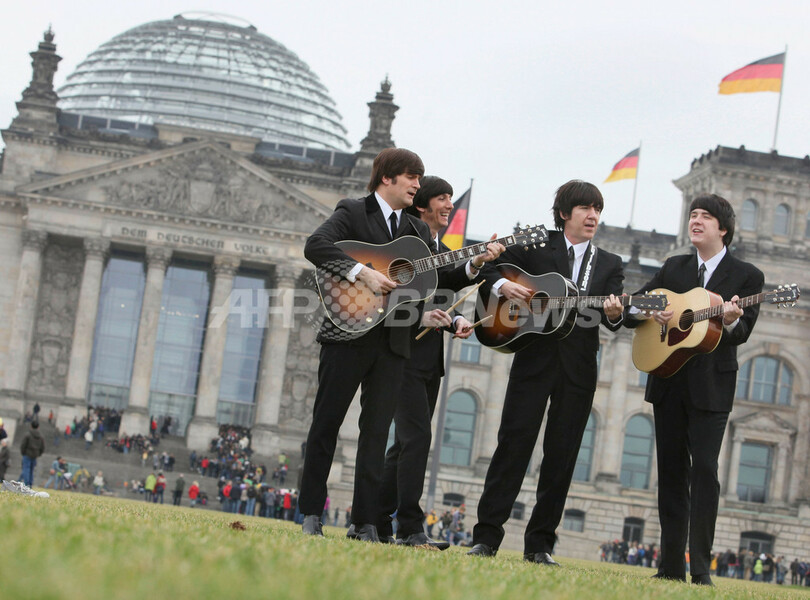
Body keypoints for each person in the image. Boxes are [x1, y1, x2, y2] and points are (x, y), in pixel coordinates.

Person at [467, 180, 624, 565]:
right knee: (512, 446)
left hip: (579, 368)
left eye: (597, 209)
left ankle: (540, 545)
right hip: (532, 359)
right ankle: (486, 537)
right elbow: (489, 267)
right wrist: (505, 286)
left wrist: (616, 313)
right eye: (585, 208)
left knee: (561, 457)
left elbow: (614, 318)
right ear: (564, 214)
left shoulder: (609, 263)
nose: (592, 216)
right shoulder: (536, 244)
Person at [298, 148, 444, 542]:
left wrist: (475, 266)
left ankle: (363, 522)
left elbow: (421, 285)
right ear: (387, 178)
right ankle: (311, 513)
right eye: (411, 176)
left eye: (419, 177)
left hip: (392, 342)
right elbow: (315, 245)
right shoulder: (352, 211)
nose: (417, 185)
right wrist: (362, 272)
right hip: (345, 334)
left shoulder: (418, 231)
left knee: (376, 434)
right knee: (326, 424)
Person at [625, 194, 763, 586]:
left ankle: (701, 568)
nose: (696, 221)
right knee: (671, 473)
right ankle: (671, 566)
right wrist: (651, 310)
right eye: (693, 215)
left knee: (704, 469)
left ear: (724, 229)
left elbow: (742, 331)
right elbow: (634, 307)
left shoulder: (747, 276)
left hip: (712, 387)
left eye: (705, 217)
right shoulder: (674, 267)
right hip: (668, 380)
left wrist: (730, 320)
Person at [376, 175, 504, 548]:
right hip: (401, 354)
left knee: (404, 446)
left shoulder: (440, 248)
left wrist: (457, 319)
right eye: (442, 198)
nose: (449, 205)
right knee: (417, 439)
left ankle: (373, 520)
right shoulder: (403, 246)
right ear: (422, 205)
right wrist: (422, 317)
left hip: (429, 360)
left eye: (451, 198)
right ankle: (410, 528)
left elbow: (442, 295)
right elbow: (391, 300)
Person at [20, 419, 46, 487]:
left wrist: (23, 452)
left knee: (26, 469)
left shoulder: (28, 435)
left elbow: (23, 445)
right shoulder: (41, 436)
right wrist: (38, 454)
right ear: (38, 427)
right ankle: (30, 483)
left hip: (27, 454)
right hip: (35, 455)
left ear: (31, 426)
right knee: (31, 470)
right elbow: (43, 447)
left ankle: (26, 484)